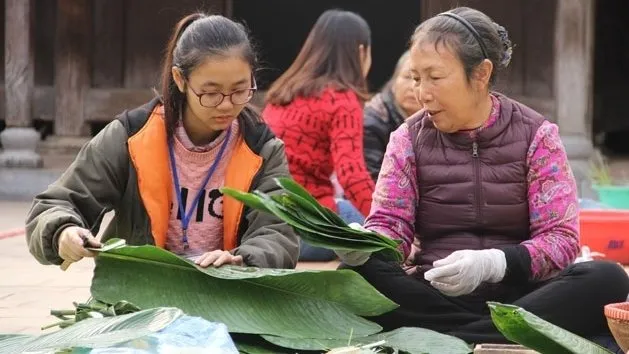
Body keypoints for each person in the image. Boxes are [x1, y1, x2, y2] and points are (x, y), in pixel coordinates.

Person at [336, 6, 629, 347]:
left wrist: (495, 263)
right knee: (354, 278)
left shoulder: (537, 136)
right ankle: (500, 338)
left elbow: (561, 240)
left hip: (525, 298)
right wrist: (367, 246)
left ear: (481, 74)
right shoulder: (406, 140)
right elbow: (391, 225)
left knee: (607, 279)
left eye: (435, 76)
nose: (422, 93)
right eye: (416, 78)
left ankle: (448, 341)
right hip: (434, 296)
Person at [25, 13, 299, 270]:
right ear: (180, 79)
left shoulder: (262, 149)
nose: (226, 105)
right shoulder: (130, 137)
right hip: (140, 297)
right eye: (211, 93)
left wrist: (242, 260)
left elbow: (278, 233)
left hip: (226, 295)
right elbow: (54, 205)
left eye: (240, 90)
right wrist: (63, 232)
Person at [263, 9, 375, 261]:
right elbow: (351, 174)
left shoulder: (282, 92)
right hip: (307, 227)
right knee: (374, 226)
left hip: (265, 222)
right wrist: (387, 222)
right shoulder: (342, 100)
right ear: (361, 52)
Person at [363, 51, 423, 181]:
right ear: (394, 81)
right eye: (408, 77)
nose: (412, 87)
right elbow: (374, 179)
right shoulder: (372, 122)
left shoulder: (440, 120)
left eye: (418, 79)